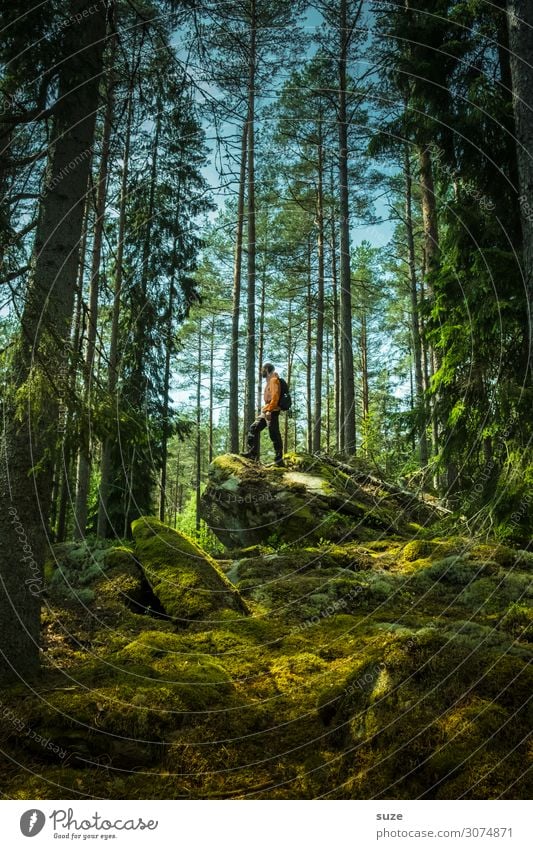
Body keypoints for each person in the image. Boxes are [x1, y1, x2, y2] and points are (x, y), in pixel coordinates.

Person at [241, 362, 285, 467]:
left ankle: (279, 459)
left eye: (262, 370)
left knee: (274, 434)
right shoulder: (270, 381)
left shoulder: (274, 380)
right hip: (266, 411)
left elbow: (275, 397)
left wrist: (269, 410)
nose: (261, 372)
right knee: (253, 428)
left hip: (272, 411)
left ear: (267, 369)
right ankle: (252, 454)